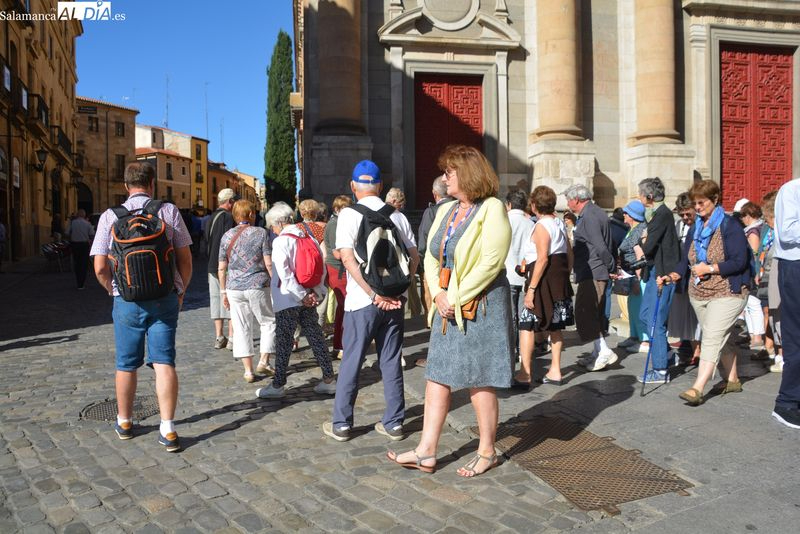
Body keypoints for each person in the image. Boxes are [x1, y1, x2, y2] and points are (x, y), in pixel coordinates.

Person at [386, 145, 511, 477]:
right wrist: (439, 293)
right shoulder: (446, 210)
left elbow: (492, 262)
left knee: (480, 378)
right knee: (436, 375)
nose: (444, 177)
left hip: (480, 304)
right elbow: (430, 255)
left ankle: (487, 451)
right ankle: (426, 451)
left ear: (467, 174)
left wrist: (454, 296)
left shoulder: (492, 208)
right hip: (447, 303)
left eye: (449, 172)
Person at [91, 162, 192, 451]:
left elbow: (99, 266)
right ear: (152, 183)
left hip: (126, 299)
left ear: (126, 186)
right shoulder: (168, 211)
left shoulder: (110, 216)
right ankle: (169, 429)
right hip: (164, 297)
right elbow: (185, 259)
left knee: (126, 364)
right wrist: (180, 291)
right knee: (164, 362)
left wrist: (114, 290)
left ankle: (124, 422)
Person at [323, 160, 419, 443]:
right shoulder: (398, 216)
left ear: (353, 186)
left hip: (361, 302)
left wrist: (373, 293)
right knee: (390, 359)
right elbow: (414, 258)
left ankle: (341, 424)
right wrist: (398, 292)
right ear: (380, 186)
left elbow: (348, 259)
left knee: (352, 359)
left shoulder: (349, 216)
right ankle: (394, 422)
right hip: (393, 302)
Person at [666, 180, 752, 406]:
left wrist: (710, 268)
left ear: (715, 199)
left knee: (712, 337)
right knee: (722, 336)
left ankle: (698, 387)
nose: (697, 207)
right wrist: (673, 274)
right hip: (699, 292)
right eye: (695, 203)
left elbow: (739, 261)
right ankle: (732, 379)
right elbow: (686, 258)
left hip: (728, 291)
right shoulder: (696, 226)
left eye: (701, 202)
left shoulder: (730, 225)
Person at [256, 202, 337, 398]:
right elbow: (321, 265)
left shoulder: (281, 241)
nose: (272, 230)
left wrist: (301, 295)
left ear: (278, 223)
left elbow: (284, 274)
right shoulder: (308, 236)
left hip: (288, 299)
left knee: (284, 341)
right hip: (307, 296)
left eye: (272, 226)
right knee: (316, 338)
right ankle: (329, 379)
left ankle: (277, 385)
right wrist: (315, 293)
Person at [513, 186, 573, 388]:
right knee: (554, 325)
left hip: (541, 283)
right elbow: (568, 255)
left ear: (534, 205)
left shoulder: (541, 226)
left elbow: (542, 259)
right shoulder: (559, 225)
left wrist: (530, 290)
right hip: (557, 281)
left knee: (526, 325)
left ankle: (525, 373)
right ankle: (555, 370)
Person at [217, 200, 276, 383]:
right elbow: (268, 262)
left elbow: (221, 267)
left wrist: (223, 292)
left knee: (241, 328)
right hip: (257, 285)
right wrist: (275, 282)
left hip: (234, 287)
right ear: (251, 214)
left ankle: (248, 371)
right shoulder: (261, 233)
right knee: (267, 322)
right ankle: (264, 361)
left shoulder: (226, 236)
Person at [634, 177, 680, 384]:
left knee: (654, 321)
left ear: (649, 197)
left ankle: (661, 370)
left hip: (663, 274)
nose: (638, 197)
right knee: (645, 316)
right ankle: (668, 353)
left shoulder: (662, 215)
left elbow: (649, 245)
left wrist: (639, 245)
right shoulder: (653, 214)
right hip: (652, 273)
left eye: (640, 194)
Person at [565, 184, 616, 371]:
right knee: (592, 313)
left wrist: (610, 266)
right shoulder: (595, 212)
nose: (568, 204)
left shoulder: (590, 216)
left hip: (593, 271)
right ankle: (597, 351)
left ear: (576, 199)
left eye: (568, 200)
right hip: (593, 270)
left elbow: (600, 246)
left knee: (585, 312)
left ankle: (604, 350)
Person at [771, 177, 800, 428]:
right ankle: (787, 402)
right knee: (796, 335)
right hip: (795, 267)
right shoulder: (792, 190)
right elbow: (789, 232)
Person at [667, 193, 701, 364]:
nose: (686, 218)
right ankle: (693, 347)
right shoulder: (678, 225)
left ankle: (698, 350)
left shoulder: (701, 225)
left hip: (698, 274)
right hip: (682, 274)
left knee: (696, 314)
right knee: (686, 314)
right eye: (682, 215)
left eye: (688, 214)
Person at [504, 189, 537, 362]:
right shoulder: (530, 223)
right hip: (525, 276)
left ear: (508, 204)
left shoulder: (503, 220)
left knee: (511, 316)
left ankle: (513, 349)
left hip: (507, 274)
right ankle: (522, 349)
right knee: (524, 317)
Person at [205, 189, 237, 350]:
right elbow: (230, 242)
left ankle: (219, 337)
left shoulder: (211, 217)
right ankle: (231, 338)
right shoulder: (228, 218)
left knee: (216, 299)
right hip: (226, 265)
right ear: (229, 201)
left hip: (212, 264)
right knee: (230, 299)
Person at [754, 192, 782, 369]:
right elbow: (761, 252)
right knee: (771, 314)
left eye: (768, 218)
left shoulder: (782, 232)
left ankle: (779, 351)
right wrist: (758, 270)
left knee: (776, 315)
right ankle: (772, 347)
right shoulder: (767, 230)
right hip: (766, 275)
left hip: (778, 276)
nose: (766, 221)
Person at [615, 200, 648, 352]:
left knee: (639, 307)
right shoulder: (632, 228)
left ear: (633, 215)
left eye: (626, 213)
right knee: (632, 307)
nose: (624, 215)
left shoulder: (640, 229)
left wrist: (638, 278)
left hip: (637, 275)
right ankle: (634, 336)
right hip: (630, 273)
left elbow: (640, 254)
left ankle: (644, 340)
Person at [323, 195, 353, 360]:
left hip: (340, 269)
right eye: (345, 209)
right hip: (338, 269)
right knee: (346, 307)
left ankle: (340, 345)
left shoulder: (339, 222)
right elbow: (338, 252)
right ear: (336, 209)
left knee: (343, 309)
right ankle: (341, 345)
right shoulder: (335, 224)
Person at [417, 176, 452, 318]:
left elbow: (423, 241)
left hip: (434, 264)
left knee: (433, 298)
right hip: (453, 264)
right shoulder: (461, 207)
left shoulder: (431, 211)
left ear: (434, 193)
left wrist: (422, 265)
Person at [739, 201, 766, 351]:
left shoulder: (753, 231)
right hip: (752, 272)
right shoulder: (757, 228)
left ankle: (757, 336)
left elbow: (754, 254)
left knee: (753, 303)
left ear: (749, 215)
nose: (742, 219)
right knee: (749, 304)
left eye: (743, 215)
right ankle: (752, 335)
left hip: (752, 272)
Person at [67, 209, 94, 289]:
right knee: (84, 264)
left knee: (77, 263)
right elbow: (92, 234)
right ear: (84, 215)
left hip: (75, 244)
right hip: (84, 245)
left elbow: (66, 232)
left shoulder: (73, 223)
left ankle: (78, 281)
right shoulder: (87, 224)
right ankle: (82, 283)